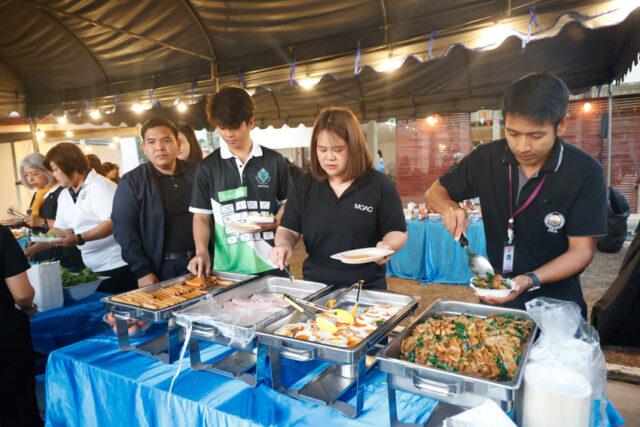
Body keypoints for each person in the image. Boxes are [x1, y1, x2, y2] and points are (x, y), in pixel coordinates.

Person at [425, 72, 607, 318]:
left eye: (536, 136)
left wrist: (529, 279)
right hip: (498, 293)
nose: (522, 147)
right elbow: (435, 191)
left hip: (557, 301)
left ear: (562, 124)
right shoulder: (486, 158)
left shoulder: (584, 171)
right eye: (513, 133)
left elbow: (581, 251)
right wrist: (449, 207)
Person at [270, 107, 407, 289]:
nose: (329, 157)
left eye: (338, 150)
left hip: (366, 287)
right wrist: (283, 245)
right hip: (316, 286)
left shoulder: (379, 185)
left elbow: (398, 231)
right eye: (322, 149)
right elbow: (288, 229)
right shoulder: (305, 185)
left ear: (355, 147)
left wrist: (387, 245)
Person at [188, 86, 291, 277]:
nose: (229, 134)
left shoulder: (273, 161)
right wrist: (201, 252)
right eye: (222, 128)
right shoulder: (207, 167)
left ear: (250, 122)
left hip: (272, 262)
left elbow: (291, 204)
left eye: (234, 127)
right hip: (228, 267)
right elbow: (201, 216)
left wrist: (276, 220)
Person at [26, 143, 137, 293]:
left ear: (69, 166)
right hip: (93, 268)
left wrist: (79, 238)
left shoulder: (100, 186)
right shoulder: (65, 194)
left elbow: (112, 223)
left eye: (55, 169)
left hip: (118, 266)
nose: (54, 175)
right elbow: (60, 229)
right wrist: (31, 250)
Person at [112, 118, 197, 287]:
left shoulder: (197, 172)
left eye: (166, 140)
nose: (159, 147)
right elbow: (124, 228)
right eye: (151, 142)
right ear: (144, 147)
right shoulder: (132, 181)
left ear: (178, 144)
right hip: (161, 268)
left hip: (203, 261)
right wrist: (142, 270)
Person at [0, 225, 42, 426]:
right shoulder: (1, 234)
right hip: (5, 335)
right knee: (18, 407)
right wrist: (28, 307)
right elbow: (23, 294)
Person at [19, 153, 85, 271]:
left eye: (34, 174)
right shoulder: (38, 194)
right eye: (26, 175)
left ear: (48, 171)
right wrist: (26, 222)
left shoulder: (64, 192)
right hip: (46, 254)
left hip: (65, 256)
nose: (30, 179)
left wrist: (41, 222)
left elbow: (69, 226)